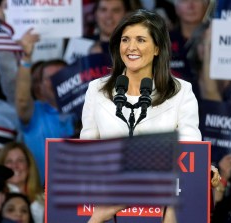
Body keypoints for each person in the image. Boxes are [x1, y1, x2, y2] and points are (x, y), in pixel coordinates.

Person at [80, 9, 220, 223]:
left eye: (140, 40)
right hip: (108, 208)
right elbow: (87, 153)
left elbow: (190, 152)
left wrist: (201, 168)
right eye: (125, 39)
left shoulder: (181, 92)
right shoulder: (97, 90)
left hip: (160, 208)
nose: (131, 47)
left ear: (156, 48)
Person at [16, 30, 77, 184]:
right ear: (40, 86)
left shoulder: (86, 110)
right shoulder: (35, 111)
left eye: (61, 76)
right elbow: (22, 100)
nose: (56, 82)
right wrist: (27, 58)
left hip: (81, 194)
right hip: (41, 196)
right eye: (50, 78)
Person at [0, 142, 44, 223]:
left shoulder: (43, 198)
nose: (15, 166)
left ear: (29, 166)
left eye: (20, 160)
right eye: (9, 161)